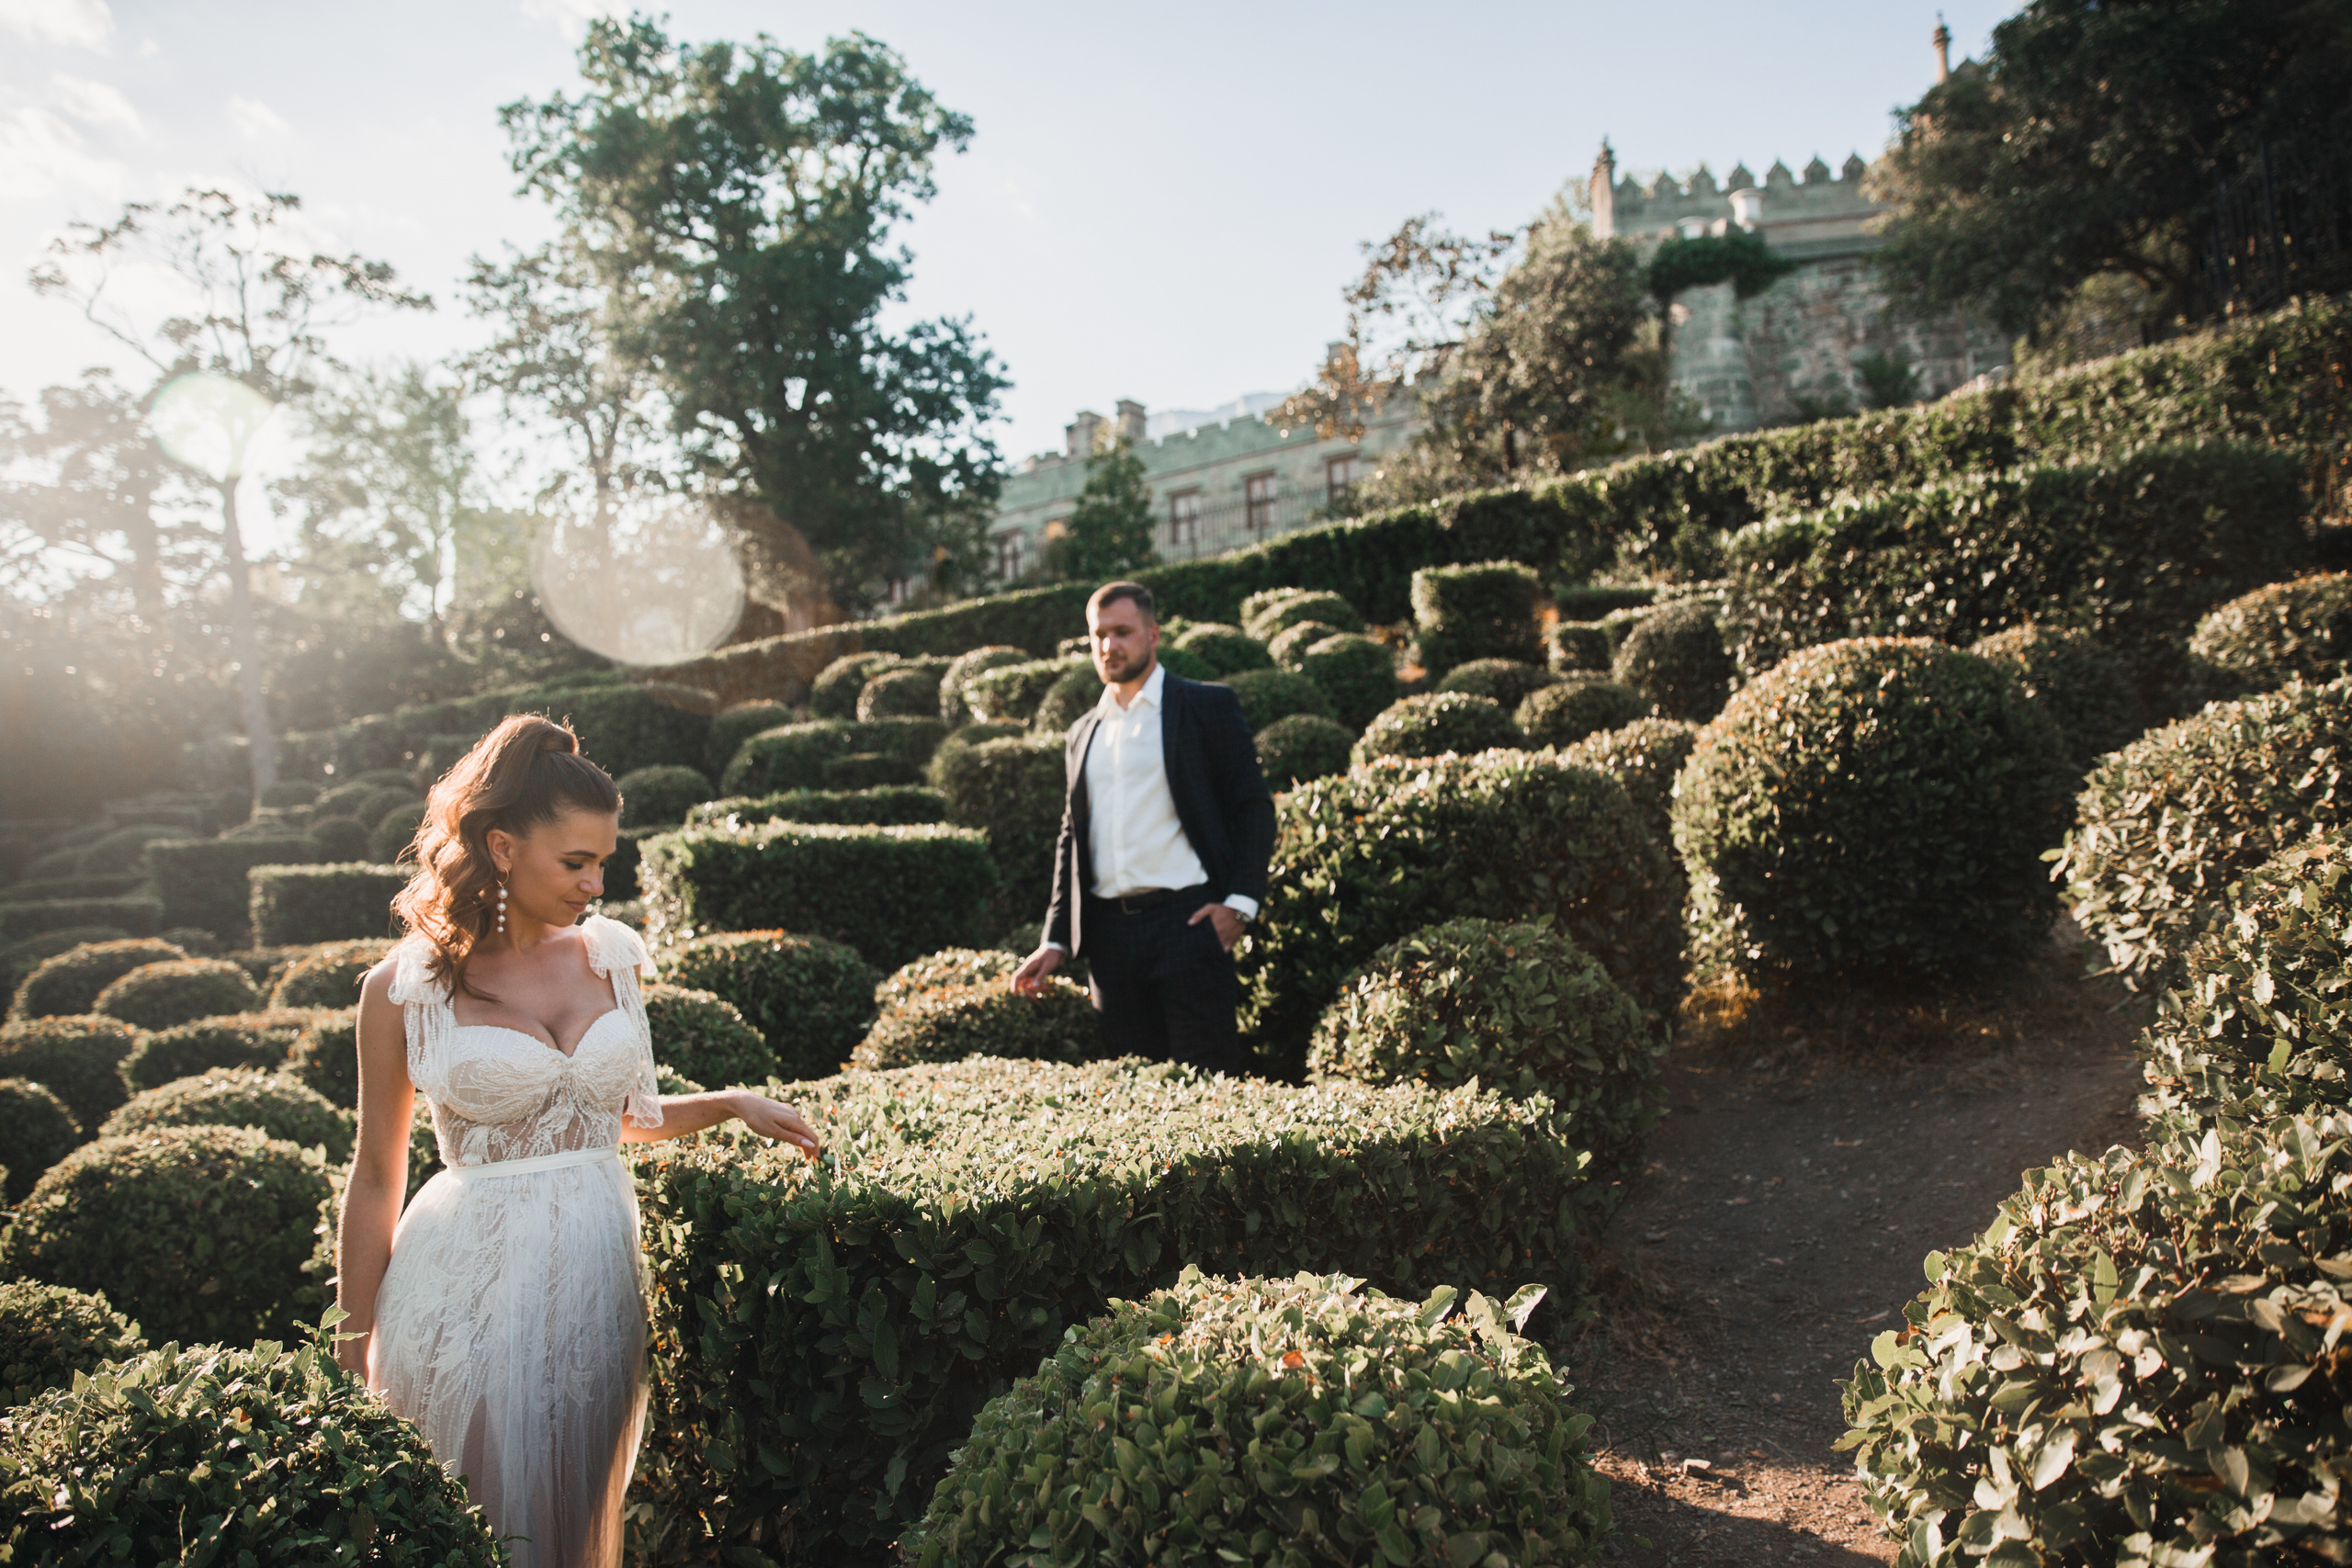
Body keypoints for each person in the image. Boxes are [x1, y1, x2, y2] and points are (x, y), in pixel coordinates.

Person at [334, 715, 820, 1568]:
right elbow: (376, 1175)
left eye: (604, 861)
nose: (596, 883)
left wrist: (733, 1102)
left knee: (576, 1514)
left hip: (597, 1283)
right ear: (501, 845)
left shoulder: (611, 958)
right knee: (473, 1522)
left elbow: (619, 1117)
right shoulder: (400, 989)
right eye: (575, 863)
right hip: (459, 1285)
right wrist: (351, 1341)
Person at [1012, 581, 1275, 1075]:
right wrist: (1056, 938)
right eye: (1099, 635)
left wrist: (1240, 904)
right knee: (1133, 1093)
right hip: (1109, 940)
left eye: (1122, 632)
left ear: (1152, 635)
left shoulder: (1205, 707)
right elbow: (1073, 835)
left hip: (1189, 925)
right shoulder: (1082, 732)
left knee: (1210, 1091)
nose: (1110, 646)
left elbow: (1252, 807)